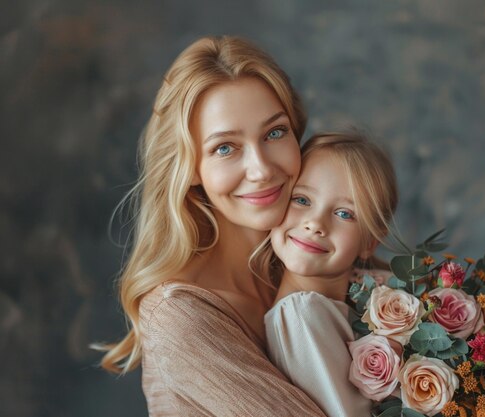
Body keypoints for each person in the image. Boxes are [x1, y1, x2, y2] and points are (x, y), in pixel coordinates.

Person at [96, 36, 325, 416]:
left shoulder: (314, 255)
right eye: (224, 148)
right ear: (188, 170)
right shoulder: (179, 317)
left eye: (274, 132)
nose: (262, 169)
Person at [257, 133, 400, 416]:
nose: (315, 223)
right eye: (302, 199)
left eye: (345, 214)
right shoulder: (300, 314)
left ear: (370, 242)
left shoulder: (369, 295)